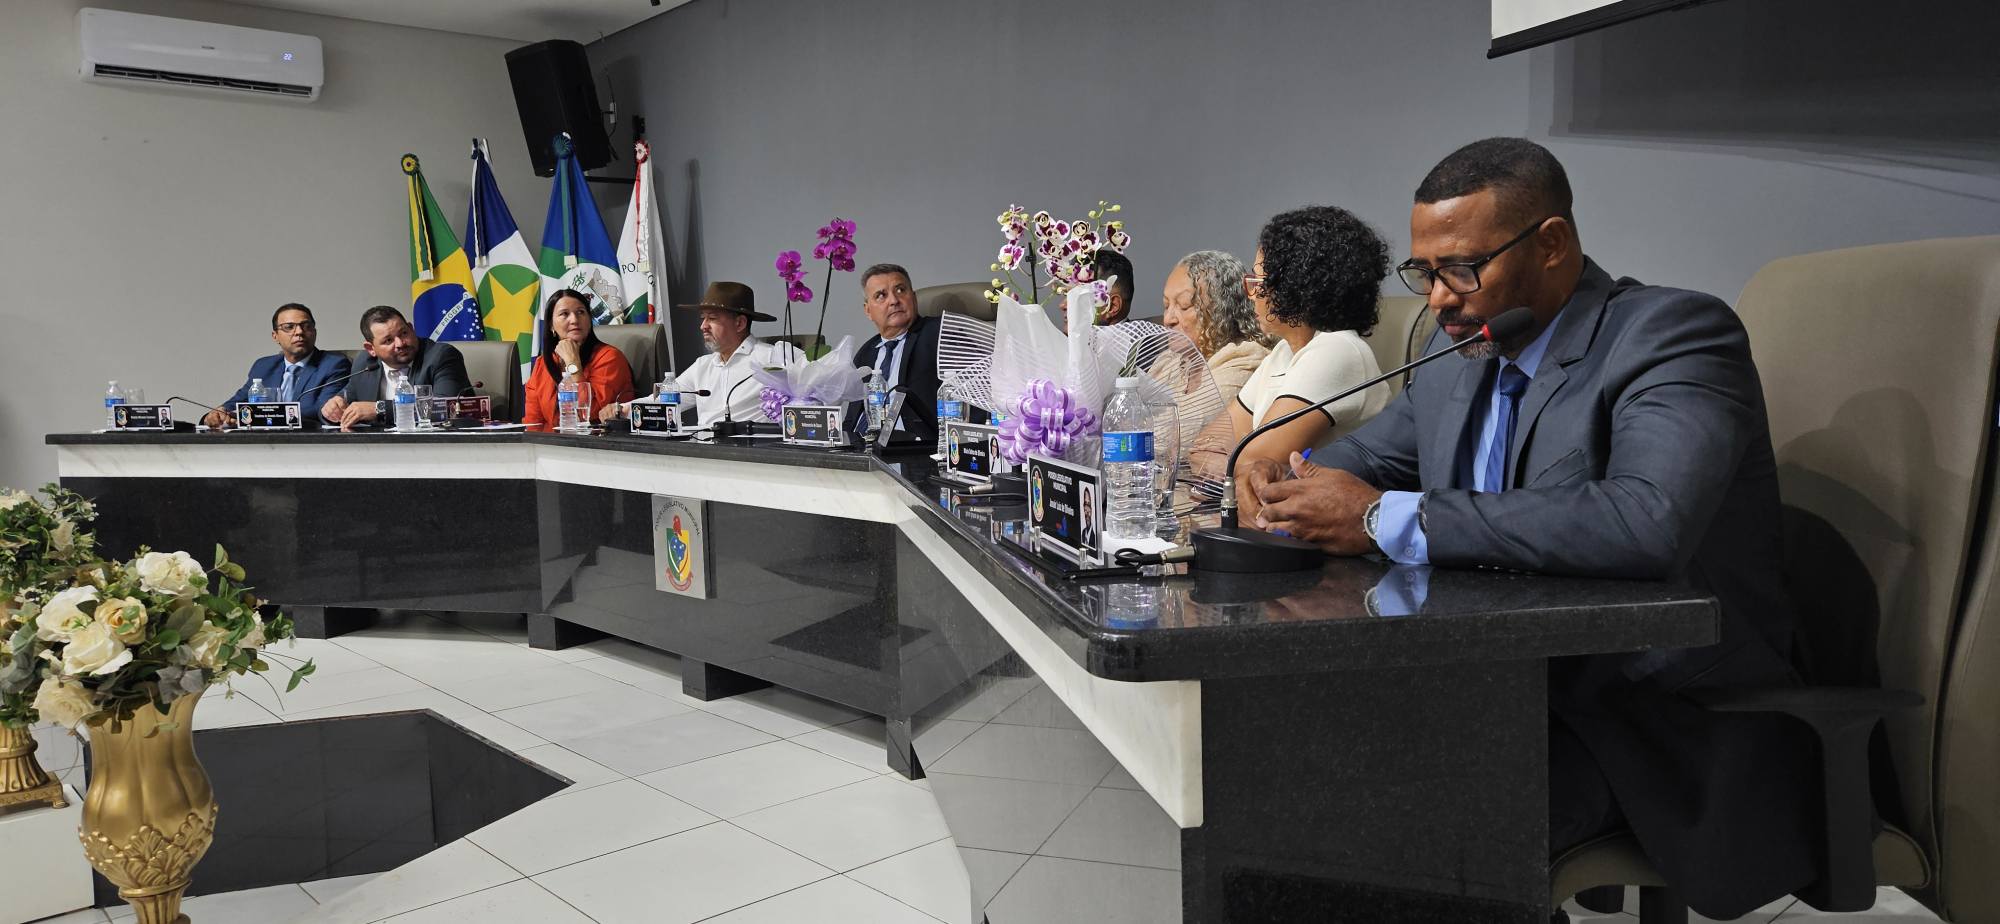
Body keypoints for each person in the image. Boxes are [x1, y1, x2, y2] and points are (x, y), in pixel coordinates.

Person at [1245, 138, 1815, 920]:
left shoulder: (1672, 333)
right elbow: (1356, 462)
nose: (1438, 299)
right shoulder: (1458, 358)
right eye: (1423, 273)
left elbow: (1646, 519)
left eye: (1461, 269)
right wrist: (1284, 479)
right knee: (1269, 795)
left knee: (1378, 840)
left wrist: (1380, 516)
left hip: (1641, 720)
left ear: (1551, 243)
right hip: (1493, 693)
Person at [1229, 206, 1391, 520]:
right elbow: (1210, 446)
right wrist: (1231, 463)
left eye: (1258, 280)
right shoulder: (1284, 352)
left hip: (1332, 533)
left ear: (1296, 287)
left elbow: (1253, 464)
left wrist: (1233, 463)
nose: (1251, 294)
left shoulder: (1338, 350)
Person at [320, 306, 471, 431]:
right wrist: (332, 410)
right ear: (371, 349)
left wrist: (379, 409)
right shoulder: (365, 363)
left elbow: (445, 408)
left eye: (404, 333)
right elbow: (345, 402)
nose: (400, 343)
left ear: (411, 329)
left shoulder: (441, 356)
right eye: (388, 340)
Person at [675, 282, 802, 427]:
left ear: (740, 323)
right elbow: (662, 403)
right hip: (702, 440)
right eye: (703, 318)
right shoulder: (702, 366)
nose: (703, 326)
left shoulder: (773, 357)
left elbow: (818, 390)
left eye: (712, 318)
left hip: (751, 441)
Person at [205, 303, 351, 429]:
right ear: (275, 336)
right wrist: (218, 414)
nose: (299, 332)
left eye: (306, 326)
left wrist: (257, 415)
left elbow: (321, 410)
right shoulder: (264, 366)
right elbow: (238, 402)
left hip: (309, 442)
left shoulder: (334, 364)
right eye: (289, 327)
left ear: (314, 332)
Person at [854, 263, 946, 441]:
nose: (894, 301)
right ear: (868, 310)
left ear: (914, 298)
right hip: (863, 447)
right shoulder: (865, 353)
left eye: (900, 290)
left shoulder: (939, 334)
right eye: (881, 295)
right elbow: (852, 417)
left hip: (917, 449)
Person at [523, 288, 635, 431]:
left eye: (581, 312)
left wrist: (573, 363)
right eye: (564, 314)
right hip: (553, 443)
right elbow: (533, 423)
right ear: (551, 325)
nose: (574, 320)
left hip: (597, 441)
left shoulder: (610, 358)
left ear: (589, 320)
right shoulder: (542, 364)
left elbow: (590, 414)